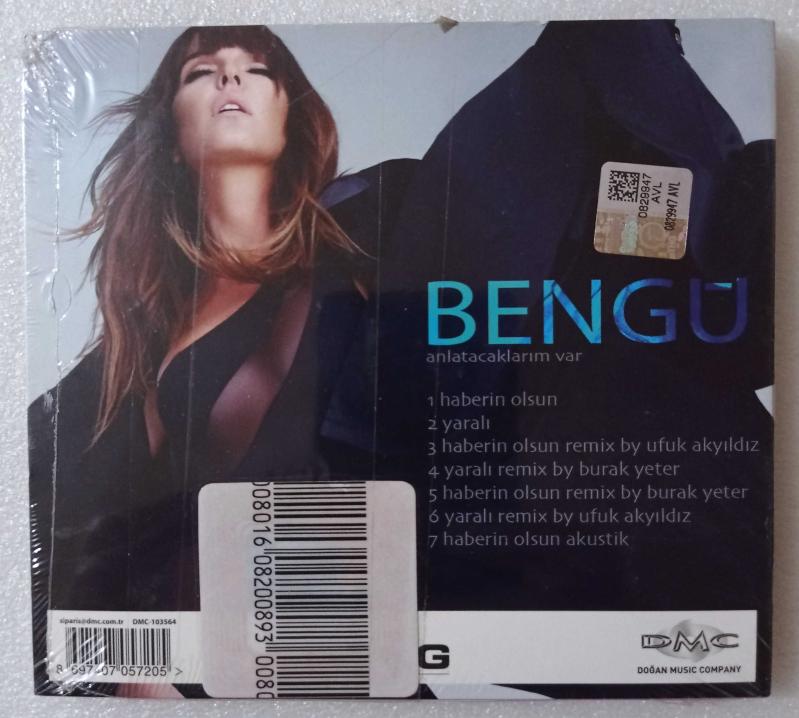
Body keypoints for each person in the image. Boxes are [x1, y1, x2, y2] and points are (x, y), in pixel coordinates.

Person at [30, 21, 773, 698]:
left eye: (257, 69)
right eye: (202, 72)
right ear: (167, 134)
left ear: (293, 115)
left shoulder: (384, 207)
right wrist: (142, 673)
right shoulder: (136, 349)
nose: (230, 77)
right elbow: (60, 530)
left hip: (529, 483)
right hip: (371, 591)